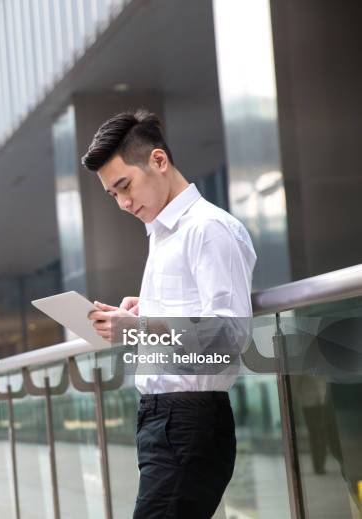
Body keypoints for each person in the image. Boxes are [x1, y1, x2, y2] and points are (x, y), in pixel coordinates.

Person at [83, 109, 257, 518]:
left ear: (158, 161)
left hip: (189, 421)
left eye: (125, 185)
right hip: (161, 419)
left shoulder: (207, 228)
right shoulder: (163, 235)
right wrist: (147, 311)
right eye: (113, 195)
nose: (124, 203)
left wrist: (140, 327)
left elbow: (230, 334)